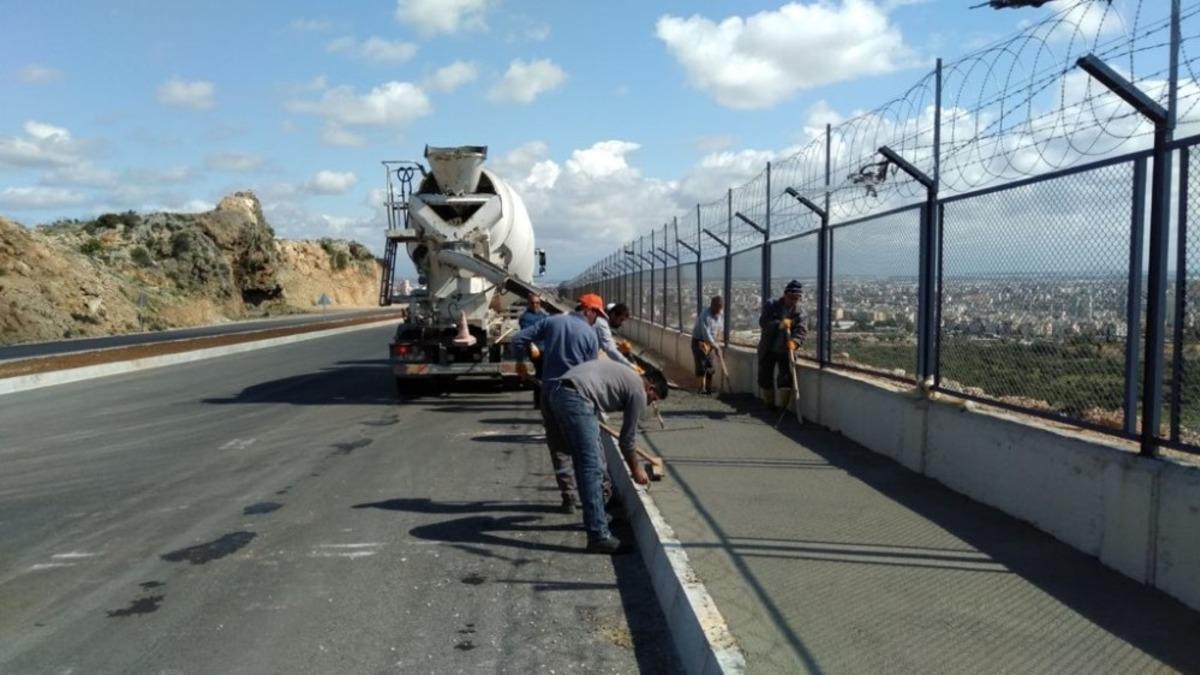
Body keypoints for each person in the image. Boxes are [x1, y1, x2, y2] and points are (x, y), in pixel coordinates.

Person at [548, 358, 665, 553]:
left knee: (587, 462)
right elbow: (627, 441)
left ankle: (598, 517)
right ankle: (598, 535)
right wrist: (637, 471)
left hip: (561, 392)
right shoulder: (639, 390)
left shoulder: (628, 377)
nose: (649, 403)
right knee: (591, 467)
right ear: (651, 388)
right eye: (653, 399)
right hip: (576, 398)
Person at [512, 293, 606, 513]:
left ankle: (568, 497)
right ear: (589, 311)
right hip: (575, 394)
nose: (597, 320)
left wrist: (520, 362)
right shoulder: (590, 334)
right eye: (597, 315)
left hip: (549, 391)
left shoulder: (552, 321)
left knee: (559, 448)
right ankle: (593, 500)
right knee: (585, 449)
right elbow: (591, 373)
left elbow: (518, 340)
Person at [757, 280, 807, 406]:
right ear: (785, 294)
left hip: (785, 350)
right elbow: (764, 323)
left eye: (796, 298)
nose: (793, 301)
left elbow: (801, 330)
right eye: (791, 297)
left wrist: (795, 342)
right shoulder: (771, 306)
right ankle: (769, 404)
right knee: (765, 377)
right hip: (769, 348)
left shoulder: (799, 313)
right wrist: (779, 324)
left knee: (785, 379)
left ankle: (782, 408)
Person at [519, 294, 550, 407]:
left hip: (545, 348)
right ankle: (538, 401)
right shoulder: (525, 318)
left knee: (545, 374)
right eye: (532, 303)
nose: (535, 305)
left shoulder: (544, 315)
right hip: (535, 348)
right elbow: (529, 333)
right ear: (528, 304)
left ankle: (544, 400)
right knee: (540, 373)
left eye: (537, 303)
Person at [691, 296, 724, 394]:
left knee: (710, 366)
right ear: (712, 305)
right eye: (718, 307)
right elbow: (706, 334)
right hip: (700, 342)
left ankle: (708, 389)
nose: (719, 309)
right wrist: (715, 346)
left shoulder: (719, 315)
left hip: (711, 343)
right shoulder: (705, 316)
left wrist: (717, 344)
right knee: (701, 365)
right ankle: (701, 388)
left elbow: (719, 330)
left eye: (720, 307)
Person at [595, 303, 636, 368]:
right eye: (620, 320)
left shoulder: (601, 322)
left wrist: (618, 349)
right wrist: (631, 366)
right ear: (613, 314)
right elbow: (610, 349)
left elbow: (607, 344)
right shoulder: (602, 324)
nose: (621, 323)